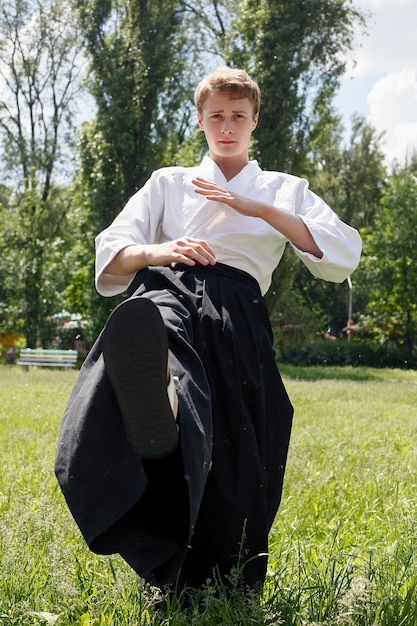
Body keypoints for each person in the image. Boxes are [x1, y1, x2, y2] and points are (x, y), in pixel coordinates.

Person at [55, 67, 361, 595]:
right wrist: (161, 250)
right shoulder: (168, 182)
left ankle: (211, 564)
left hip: (236, 309)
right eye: (216, 115)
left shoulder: (283, 189)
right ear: (200, 120)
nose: (227, 126)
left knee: (239, 442)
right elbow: (113, 249)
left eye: (238, 116)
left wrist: (258, 209)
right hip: (166, 289)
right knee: (154, 328)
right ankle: (161, 392)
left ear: (254, 121)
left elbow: (339, 252)